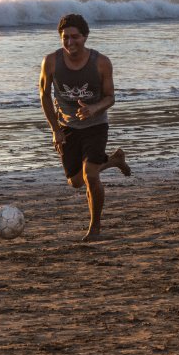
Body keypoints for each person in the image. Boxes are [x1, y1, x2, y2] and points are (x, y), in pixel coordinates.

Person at [39, 14, 131, 241]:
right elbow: (44, 95)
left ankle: (95, 227)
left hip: (96, 125)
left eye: (75, 37)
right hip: (67, 127)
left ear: (85, 36)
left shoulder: (101, 62)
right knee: (75, 182)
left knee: (90, 175)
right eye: (65, 37)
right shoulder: (51, 61)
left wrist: (95, 108)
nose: (70, 42)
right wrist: (55, 129)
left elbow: (110, 97)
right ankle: (114, 160)